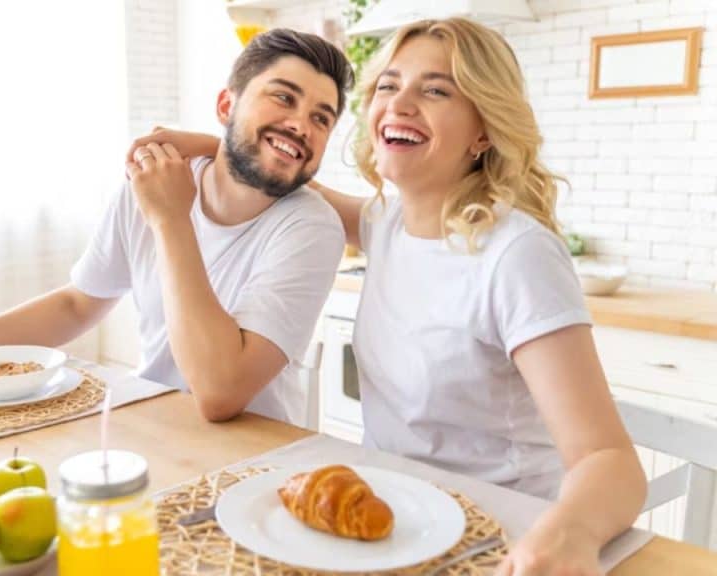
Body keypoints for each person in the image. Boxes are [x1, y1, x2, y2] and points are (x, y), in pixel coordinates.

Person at [134, 18, 646, 576]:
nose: (399, 103)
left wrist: (567, 536)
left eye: (435, 90)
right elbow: (285, 168)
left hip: (500, 540)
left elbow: (609, 460)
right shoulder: (389, 221)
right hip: (394, 525)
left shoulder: (517, 254)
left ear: (483, 132)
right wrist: (217, 139)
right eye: (388, 85)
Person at [0, 28, 353, 425]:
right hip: (149, 421)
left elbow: (220, 394)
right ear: (227, 106)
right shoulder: (157, 184)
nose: (301, 125)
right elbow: (77, 304)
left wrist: (169, 218)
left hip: (250, 452)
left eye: (321, 118)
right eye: (283, 98)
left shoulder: (310, 228)